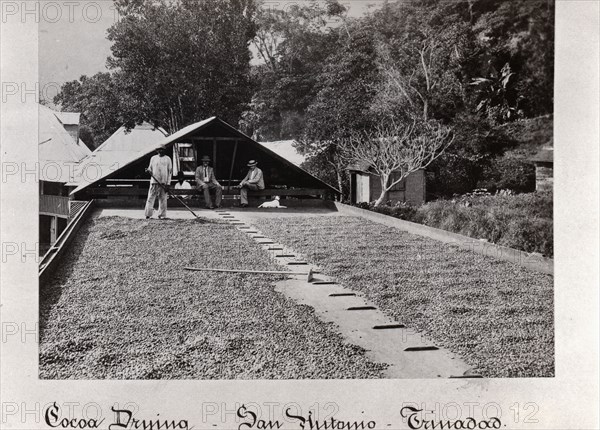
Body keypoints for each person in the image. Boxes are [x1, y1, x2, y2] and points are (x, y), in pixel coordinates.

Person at [144, 144, 172, 219]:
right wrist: (148, 171)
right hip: (154, 182)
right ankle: (148, 214)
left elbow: (170, 172)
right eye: (159, 149)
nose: (160, 151)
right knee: (150, 198)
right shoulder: (153, 158)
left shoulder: (168, 159)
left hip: (164, 183)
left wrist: (168, 184)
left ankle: (162, 215)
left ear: (164, 150)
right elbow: (150, 169)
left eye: (162, 149)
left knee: (163, 199)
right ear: (157, 150)